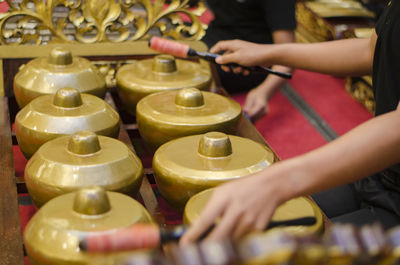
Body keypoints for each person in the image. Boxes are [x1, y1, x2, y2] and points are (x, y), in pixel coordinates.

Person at [180, 1, 400, 244]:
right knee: (244, 227)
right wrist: (271, 53)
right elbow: (370, 51)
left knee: (275, 250)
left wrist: (278, 180)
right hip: (377, 170)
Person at [201, 0, 296, 120]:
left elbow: (287, 57)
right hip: (216, 36)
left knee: (196, 74)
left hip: (254, 56)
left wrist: (263, 92)